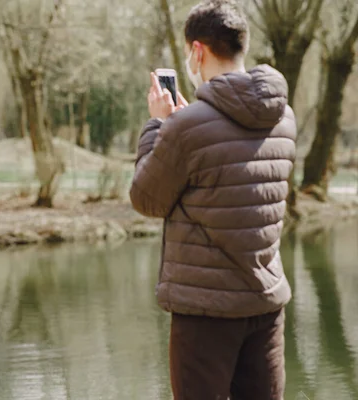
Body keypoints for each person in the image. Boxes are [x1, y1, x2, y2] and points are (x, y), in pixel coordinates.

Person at [129, 1, 296, 399]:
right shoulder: (283, 116)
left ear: (197, 51)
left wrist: (158, 126)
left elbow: (146, 198)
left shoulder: (186, 127)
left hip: (206, 312)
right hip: (266, 304)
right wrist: (184, 128)